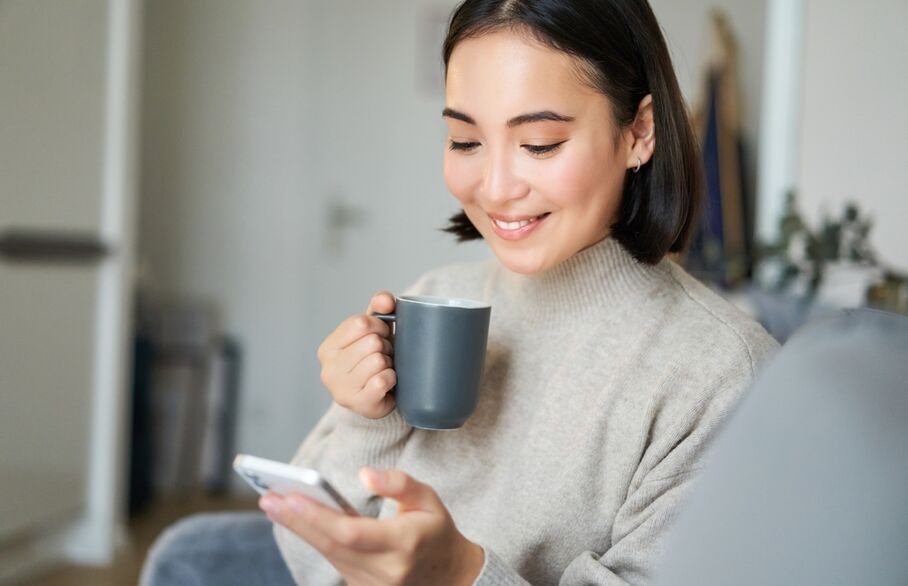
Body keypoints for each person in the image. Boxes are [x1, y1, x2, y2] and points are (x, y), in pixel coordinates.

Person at [141, 1, 777, 584]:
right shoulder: (433, 298)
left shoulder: (720, 375)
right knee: (188, 557)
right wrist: (368, 421)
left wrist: (459, 576)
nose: (496, 188)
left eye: (540, 143)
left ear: (638, 132)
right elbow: (311, 559)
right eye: (465, 141)